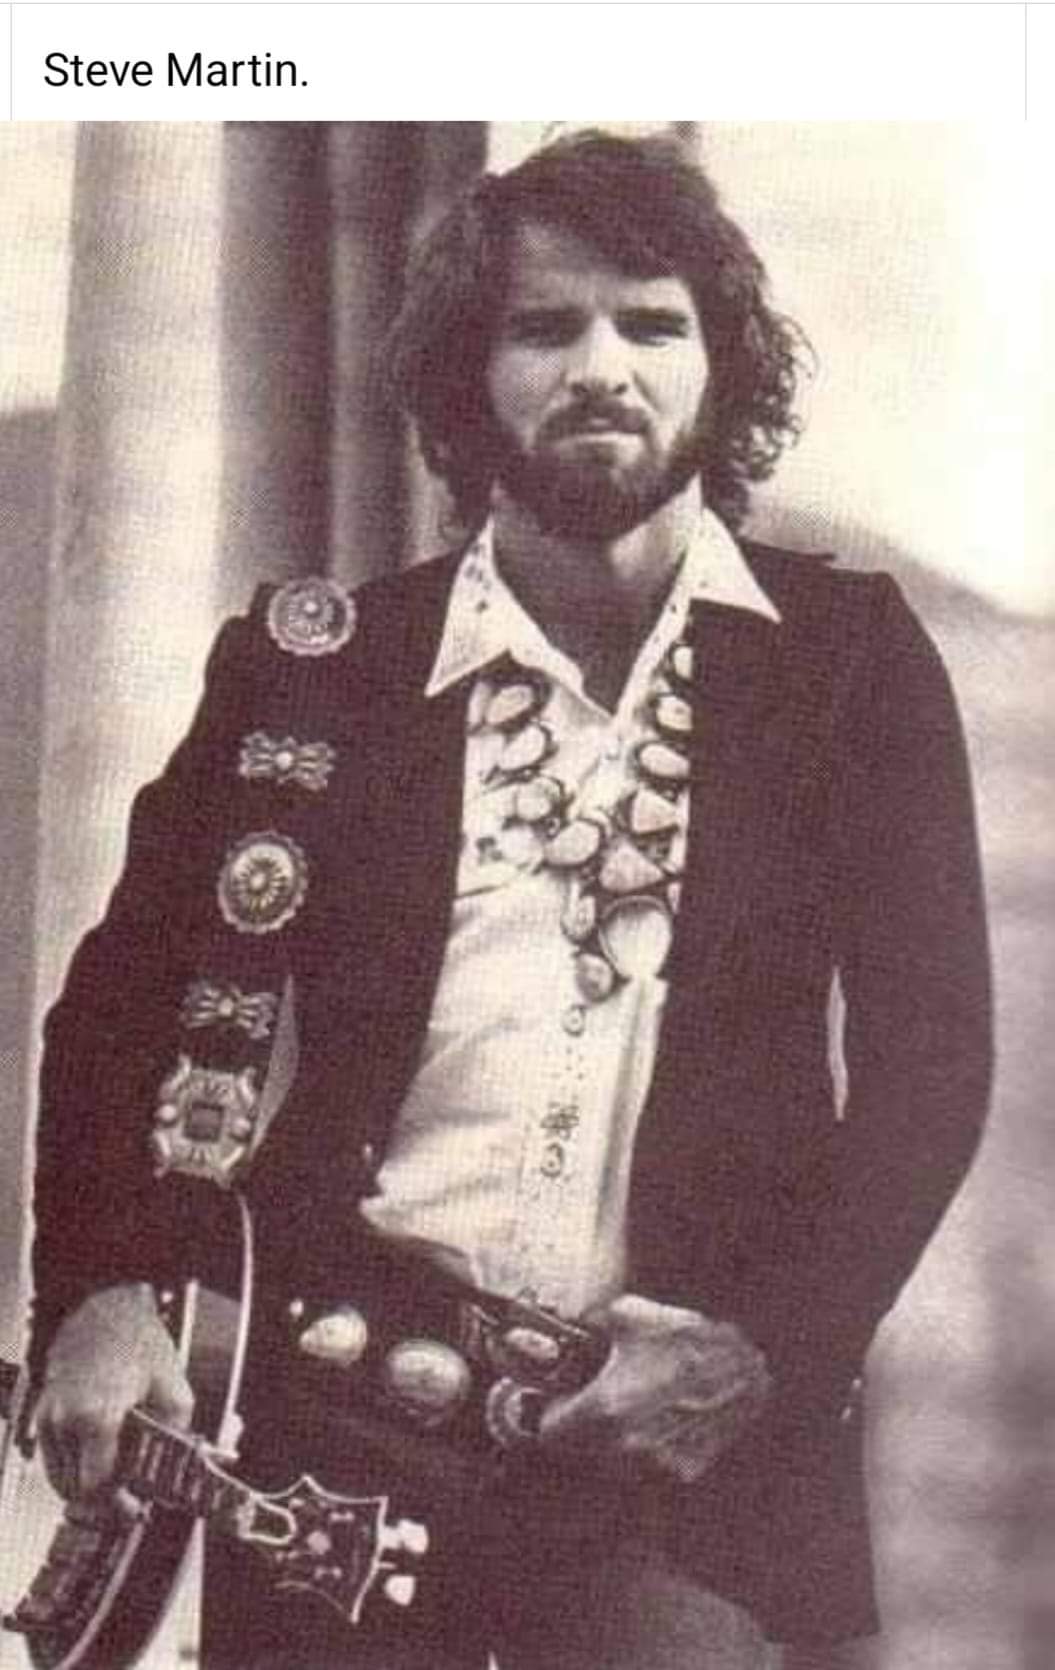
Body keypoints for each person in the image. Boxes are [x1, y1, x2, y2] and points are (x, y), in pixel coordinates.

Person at [28, 131, 992, 1670]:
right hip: (327, 1435)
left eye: (652, 323)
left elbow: (929, 1068)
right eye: (546, 327)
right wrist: (94, 1291)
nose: (602, 367)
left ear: (718, 364)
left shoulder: (848, 665)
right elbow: (119, 1007)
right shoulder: (320, 667)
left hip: (670, 1460)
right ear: (468, 376)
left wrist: (762, 1356)